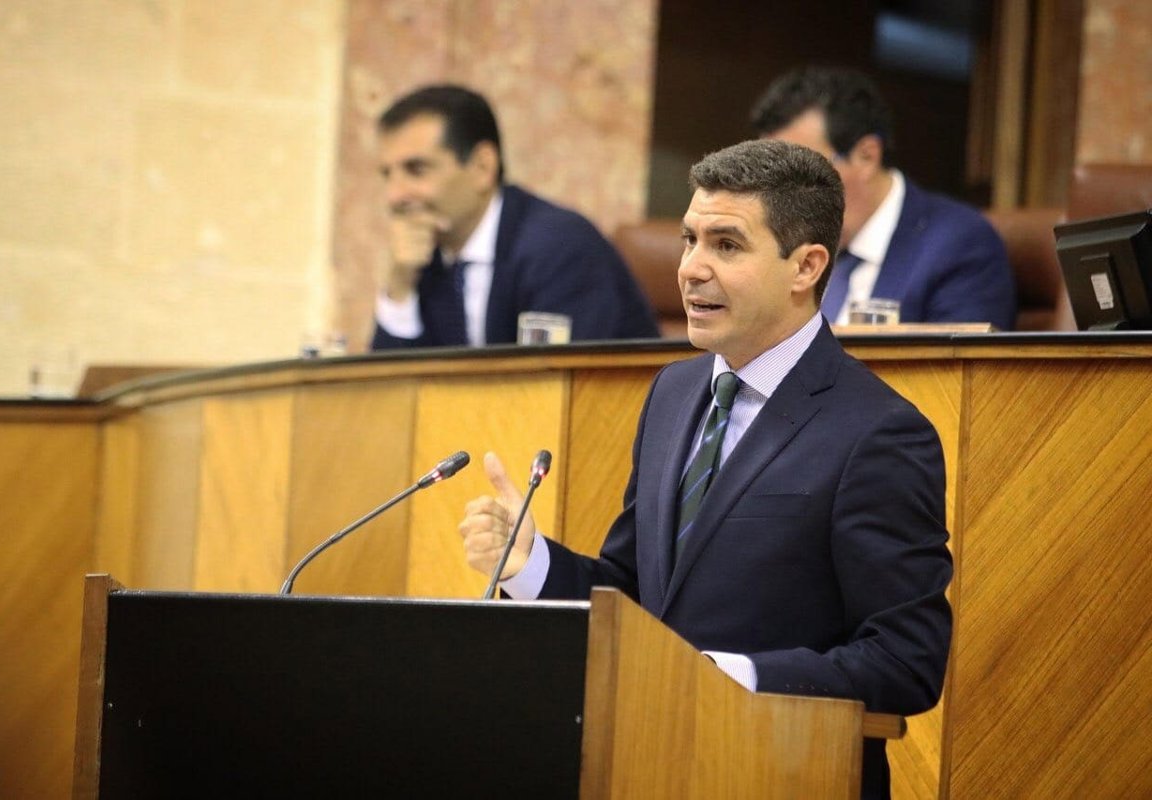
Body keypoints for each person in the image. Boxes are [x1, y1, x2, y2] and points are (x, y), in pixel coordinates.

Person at [458, 139, 953, 799]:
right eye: (690, 240)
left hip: (785, 775)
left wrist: (729, 678)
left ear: (806, 266)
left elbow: (906, 659)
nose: (691, 268)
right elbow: (636, 598)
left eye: (726, 245)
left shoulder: (879, 432)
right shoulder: (674, 392)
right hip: (649, 769)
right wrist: (530, 564)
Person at [371, 84, 659, 349]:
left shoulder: (560, 247)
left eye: (417, 170)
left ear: (482, 167)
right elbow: (389, 383)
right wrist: (400, 282)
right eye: (387, 175)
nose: (394, 196)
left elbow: (559, 381)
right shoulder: (426, 257)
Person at [750, 66, 1016, 329]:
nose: (781, 193)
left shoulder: (960, 244)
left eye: (801, 171)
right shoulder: (779, 244)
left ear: (867, 155)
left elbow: (960, 357)